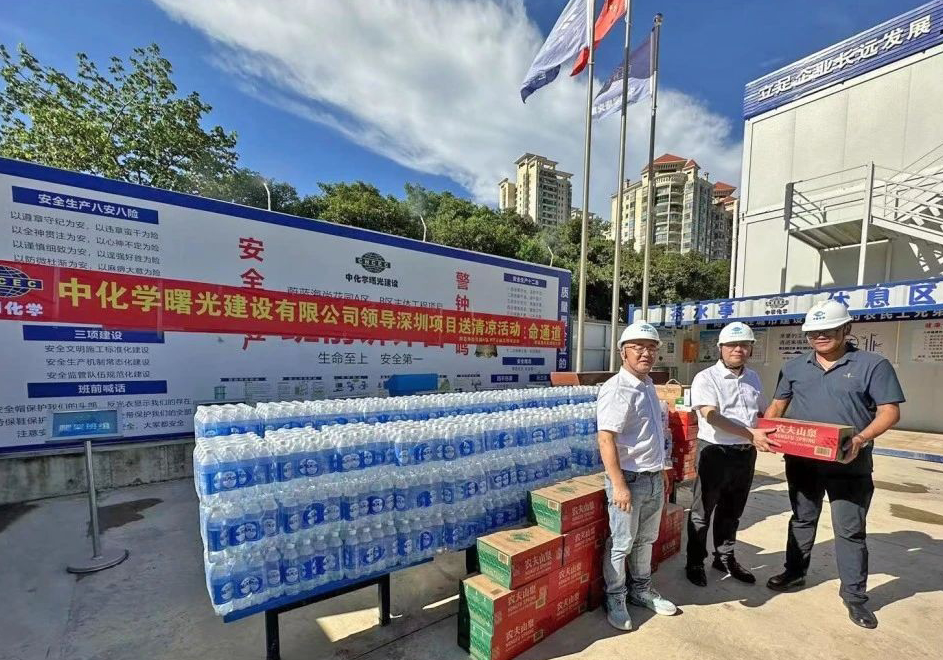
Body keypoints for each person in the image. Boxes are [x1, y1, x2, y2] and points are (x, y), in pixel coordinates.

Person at [765, 300, 904, 630]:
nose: (820, 337)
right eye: (813, 332)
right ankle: (795, 573)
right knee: (802, 519)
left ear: (846, 329)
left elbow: (890, 412)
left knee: (850, 529)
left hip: (849, 463)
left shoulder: (873, 365)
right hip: (802, 461)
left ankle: (855, 597)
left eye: (828, 330)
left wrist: (860, 439)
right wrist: (767, 431)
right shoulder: (794, 367)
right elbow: (777, 407)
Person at [596, 321, 677, 631]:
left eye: (652, 348)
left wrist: (662, 469)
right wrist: (618, 485)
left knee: (646, 540)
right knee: (622, 543)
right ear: (623, 352)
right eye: (638, 347)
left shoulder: (646, 384)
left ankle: (641, 589)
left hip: (652, 476)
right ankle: (615, 597)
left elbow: (654, 433)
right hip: (629, 479)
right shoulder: (617, 388)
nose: (646, 353)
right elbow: (606, 439)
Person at [685, 322, 778, 587]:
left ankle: (724, 557)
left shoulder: (753, 378)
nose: (738, 350)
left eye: (744, 345)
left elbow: (763, 413)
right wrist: (750, 434)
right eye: (732, 345)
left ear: (751, 349)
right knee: (702, 512)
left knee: (732, 510)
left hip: (745, 454)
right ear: (720, 348)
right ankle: (695, 561)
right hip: (715, 452)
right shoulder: (706, 378)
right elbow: (710, 415)